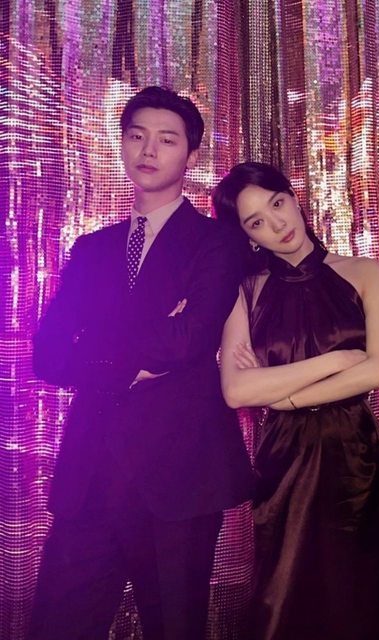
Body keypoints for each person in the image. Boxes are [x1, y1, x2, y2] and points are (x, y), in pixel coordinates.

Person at [28, 86, 253, 640]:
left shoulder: (217, 243)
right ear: (122, 145)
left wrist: (97, 334)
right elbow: (48, 353)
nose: (149, 150)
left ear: (191, 155)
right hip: (88, 480)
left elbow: (189, 342)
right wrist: (138, 352)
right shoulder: (91, 249)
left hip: (179, 479)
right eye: (137, 136)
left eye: (167, 140)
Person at [213, 162, 379, 640]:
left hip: (354, 458)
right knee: (285, 599)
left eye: (277, 204)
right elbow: (236, 391)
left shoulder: (364, 272)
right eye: (256, 222)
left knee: (361, 598)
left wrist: (281, 395)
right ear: (248, 237)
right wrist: (338, 360)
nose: (277, 224)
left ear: (294, 197)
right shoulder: (246, 292)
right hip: (283, 463)